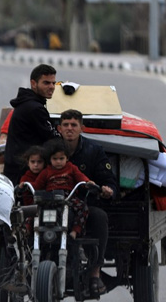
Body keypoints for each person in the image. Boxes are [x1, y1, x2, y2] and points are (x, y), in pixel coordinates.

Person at [57, 109, 116, 294]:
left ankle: (95, 273)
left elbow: (109, 180)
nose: (69, 129)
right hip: (56, 204)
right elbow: (37, 171)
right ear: (59, 128)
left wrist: (107, 190)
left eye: (74, 125)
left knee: (100, 218)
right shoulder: (51, 149)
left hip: (86, 204)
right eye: (65, 125)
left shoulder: (94, 150)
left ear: (81, 128)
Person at [3, 63, 60, 184]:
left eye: (53, 83)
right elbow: (52, 138)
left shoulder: (28, 103)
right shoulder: (35, 108)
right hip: (24, 172)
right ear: (34, 84)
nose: (52, 87)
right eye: (46, 83)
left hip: (18, 168)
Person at [29, 139, 93, 240]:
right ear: (50, 159)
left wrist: (88, 182)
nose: (58, 162)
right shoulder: (46, 171)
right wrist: (25, 185)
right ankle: (28, 231)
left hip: (68, 197)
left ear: (67, 158)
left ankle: (75, 231)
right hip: (48, 197)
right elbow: (37, 185)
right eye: (55, 159)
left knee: (83, 207)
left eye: (61, 158)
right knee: (32, 209)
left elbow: (81, 177)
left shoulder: (72, 168)